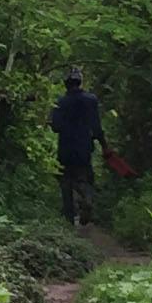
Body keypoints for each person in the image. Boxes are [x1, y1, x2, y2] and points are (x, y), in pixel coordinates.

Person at [48, 68, 104, 226]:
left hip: (65, 149)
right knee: (85, 179)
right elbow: (97, 127)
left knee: (66, 182)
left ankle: (69, 220)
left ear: (66, 84)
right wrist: (104, 146)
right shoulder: (91, 100)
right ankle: (87, 199)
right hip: (84, 148)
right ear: (80, 82)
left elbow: (55, 127)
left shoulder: (60, 102)